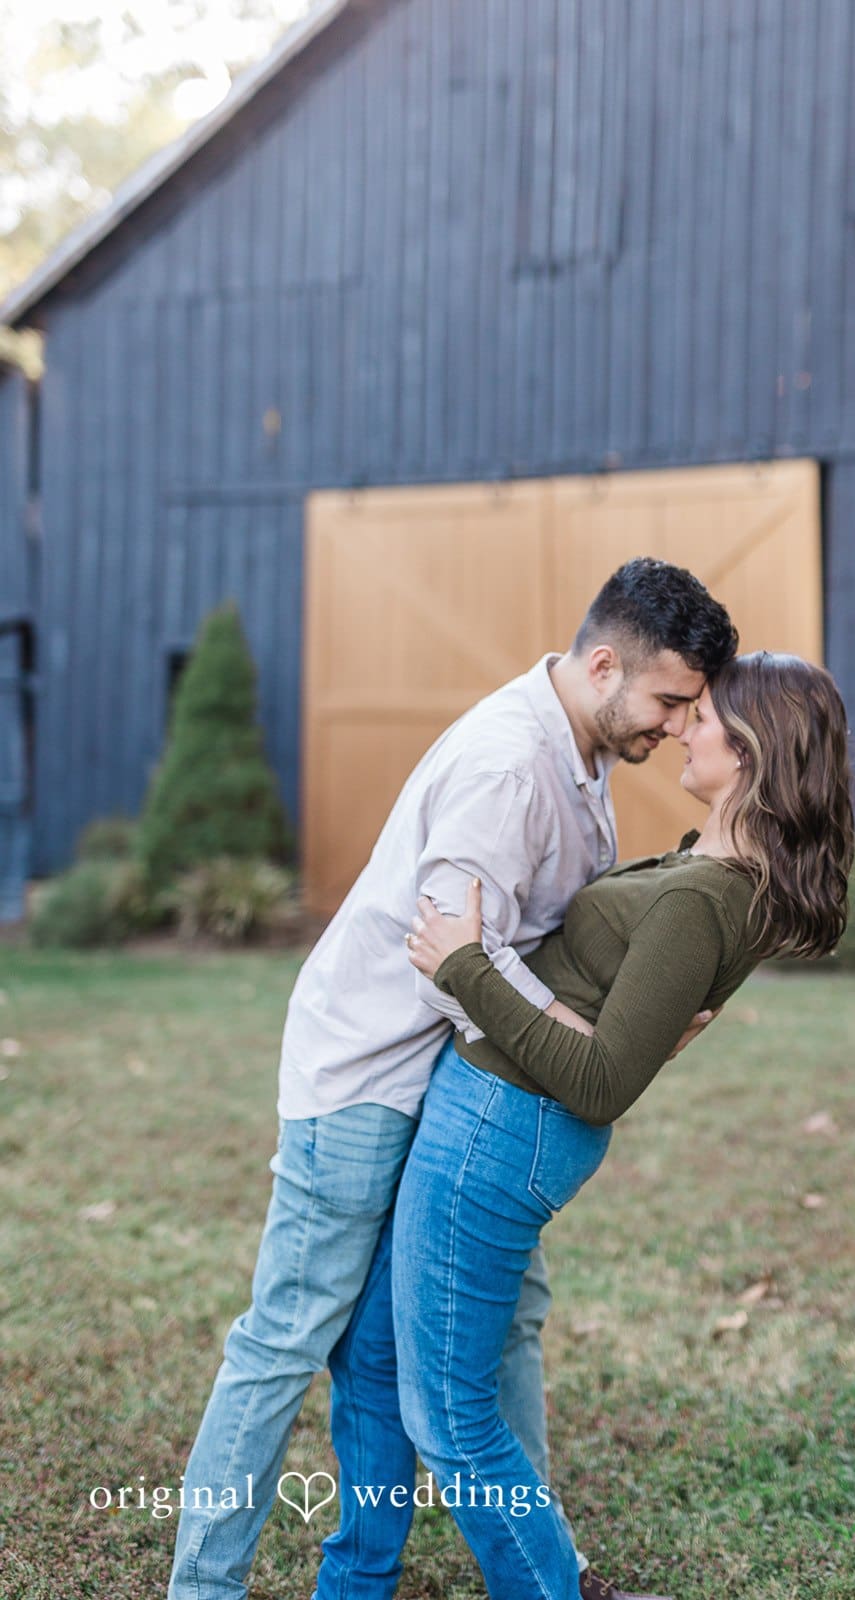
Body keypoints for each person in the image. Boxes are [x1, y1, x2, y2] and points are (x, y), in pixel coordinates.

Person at [167, 558, 738, 1600]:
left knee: (496, 1319)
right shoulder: (507, 765)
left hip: (468, 1079)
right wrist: (586, 1042)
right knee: (288, 1338)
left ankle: (544, 1571)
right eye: (667, 701)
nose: (674, 726)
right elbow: (449, 950)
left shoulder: (581, 753)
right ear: (602, 667)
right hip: (368, 1074)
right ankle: (201, 1587)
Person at [387, 651, 855, 1598]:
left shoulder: (700, 899)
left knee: (447, 1413)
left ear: (751, 749)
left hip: (499, 1127)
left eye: (702, 716)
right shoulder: (715, 872)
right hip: (506, 1122)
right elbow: (621, 1035)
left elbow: (601, 1082)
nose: (681, 727)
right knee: (479, 1370)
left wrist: (463, 965)